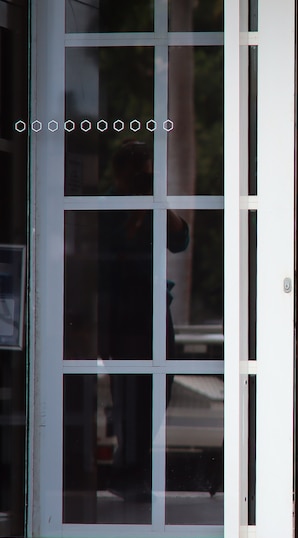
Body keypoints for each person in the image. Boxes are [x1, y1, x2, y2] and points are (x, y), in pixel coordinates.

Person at [98, 139, 190, 503]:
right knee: (128, 393)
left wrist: (159, 203)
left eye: (144, 168)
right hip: (121, 309)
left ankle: (138, 465)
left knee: (158, 388)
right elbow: (111, 252)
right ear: (120, 171)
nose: (140, 175)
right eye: (134, 168)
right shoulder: (105, 204)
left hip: (153, 306)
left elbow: (180, 241)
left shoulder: (152, 202)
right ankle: (127, 469)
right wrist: (139, 212)